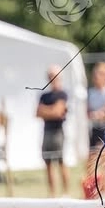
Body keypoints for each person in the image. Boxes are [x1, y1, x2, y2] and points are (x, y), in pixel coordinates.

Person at [36, 65, 70, 196]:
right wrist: (52, 110)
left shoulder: (63, 94)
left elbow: (58, 112)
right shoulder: (44, 96)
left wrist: (47, 110)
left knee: (60, 161)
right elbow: (38, 113)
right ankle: (52, 194)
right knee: (48, 163)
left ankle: (65, 192)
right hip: (47, 132)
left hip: (57, 132)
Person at [87, 61, 105, 159]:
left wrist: (98, 114)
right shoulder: (91, 93)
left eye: (100, 74)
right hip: (94, 128)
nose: (97, 76)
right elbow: (87, 111)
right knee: (92, 156)